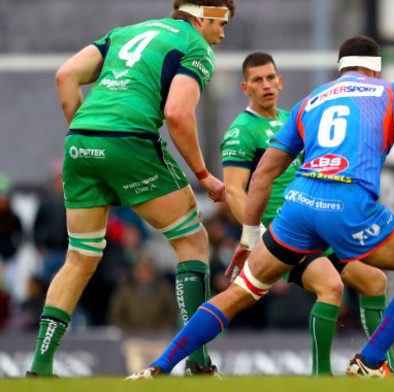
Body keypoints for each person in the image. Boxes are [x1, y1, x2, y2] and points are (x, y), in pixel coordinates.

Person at [126, 35, 394, 380]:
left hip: (298, 206)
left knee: (241, 292)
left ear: (340, 68)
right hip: (346, 202)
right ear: (377, 69)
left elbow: (265, 172)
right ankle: (370, 361)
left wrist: (250, 236)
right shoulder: (391, 91)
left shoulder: (311, 101)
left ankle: (157, 367)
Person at [26, 0, 236, 377]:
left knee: (81, 257)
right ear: (205, 16)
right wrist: (204, 175)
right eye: (223, 24)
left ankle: (40, 365)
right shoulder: (196, 46)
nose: (222, 34)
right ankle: (199, 362)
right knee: (192, 241)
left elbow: (65, 76)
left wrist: (90, 136)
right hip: (129, 140)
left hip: (81, 143)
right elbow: (177, 113)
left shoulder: (125, 33)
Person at [220, 52, 394, 375]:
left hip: (318, 222)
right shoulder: (241, 131)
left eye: (271, 77)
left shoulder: (297, 117)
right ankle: (321, 376)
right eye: (258, 80)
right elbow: (234, 191)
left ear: (280, 81)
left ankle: (388, 367)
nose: (266, 85)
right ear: (245, 87)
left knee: (375, 281)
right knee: (331, 287)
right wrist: (258, 236)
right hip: (287, 232)